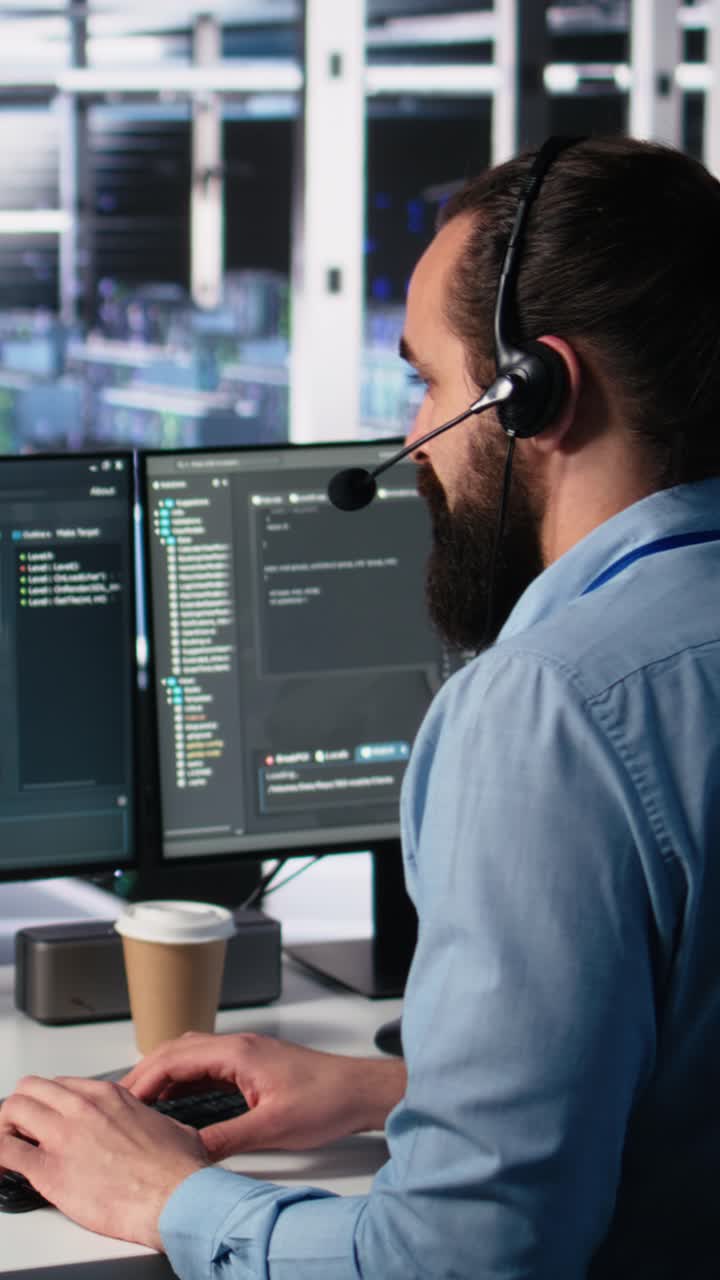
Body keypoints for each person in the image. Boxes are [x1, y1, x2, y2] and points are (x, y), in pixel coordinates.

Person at [2, 134, 720, 1278]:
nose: (409, 438)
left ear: (537, 390)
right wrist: (406, 1087)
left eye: (429, 381)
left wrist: (172, 1193)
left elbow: (461, 1262)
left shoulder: (550, 711)